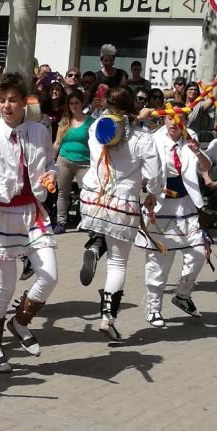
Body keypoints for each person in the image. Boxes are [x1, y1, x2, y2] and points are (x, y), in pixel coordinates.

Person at [0, 72, 57, 374]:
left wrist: (51, 175)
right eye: (2, 100)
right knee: (4, 286)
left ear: (23, 101)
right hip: (2, 215)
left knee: (50, 276)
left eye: (13, 100)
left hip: (32, 212)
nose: (7, 105)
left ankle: (20, 321)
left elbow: (49, 164)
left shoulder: (40, 130)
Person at [78, 88, 163, 339]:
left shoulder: (95, 129)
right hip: (122, 205)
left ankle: (94, 246)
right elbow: (156, 176)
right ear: (133, 108)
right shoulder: (142, 138)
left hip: (93, 199)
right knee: (117, 263)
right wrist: (152, 192)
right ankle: (108, 318)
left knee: (103, 230)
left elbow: (115, 130)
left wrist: (135, 119)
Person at [141, 107, 211, 326]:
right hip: (159, 206)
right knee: (159, 260)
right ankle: (153, 308)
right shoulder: (153, 139)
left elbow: (206, 167)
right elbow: (144, 172)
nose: (174, 122)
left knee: (199, 252)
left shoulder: (192, 137)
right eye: (170, 117)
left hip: (186, 205)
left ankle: (182, 294)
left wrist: (198, 151)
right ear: (164, 118)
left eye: (179, 118)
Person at [53, 90, 95, 234]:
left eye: (76, 103)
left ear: (82, 103)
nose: (74, 106)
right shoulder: (64, 121)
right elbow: (57, 143)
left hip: (84, 162)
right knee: (62, 193)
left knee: (86, 193)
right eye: (71, 103)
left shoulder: (91, 122)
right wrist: (51, 161)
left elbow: (96, 144)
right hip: (64, 160)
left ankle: (86, 222)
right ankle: (61, 222)